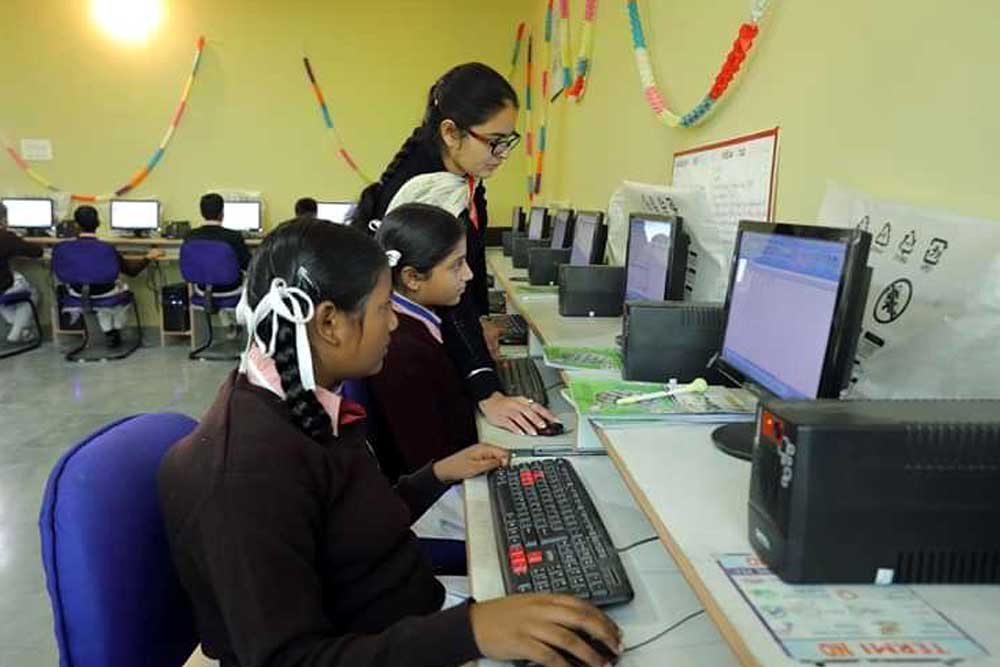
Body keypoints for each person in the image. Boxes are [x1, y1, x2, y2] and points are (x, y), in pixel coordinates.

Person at [158, 219, 622, 667]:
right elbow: (290, 657)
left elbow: (347, 526)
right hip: (390, 642)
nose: (395, 325)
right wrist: (471, 631)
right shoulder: (245, 473)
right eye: (384, 308)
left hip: (404, 623)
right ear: (329, 323)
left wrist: (433, 476)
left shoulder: (304, 402)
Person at [352, 62, 554, 436]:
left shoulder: (464, 173)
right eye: (494, 140)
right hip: (400, 353)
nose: (501, 153)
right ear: (450, 132)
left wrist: (481, 324)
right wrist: (487, 391)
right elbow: (449, 297)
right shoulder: (429, 192)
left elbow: (469, 262)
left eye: (507, 141)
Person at [368, 203, 479, 482]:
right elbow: (427, 461)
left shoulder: (417, 323)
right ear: (412, 278)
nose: (468, 274)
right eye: (456, 266)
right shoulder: (402, 349)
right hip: (432, 499)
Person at [63, 205, 163, 347]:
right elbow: (131, 271)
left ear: (76, 225)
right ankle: (115, 329)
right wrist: (148, 256)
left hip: (76, 292)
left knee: (100, 293)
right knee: (119, 291)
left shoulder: (65, 247)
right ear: (98, 223)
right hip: (105, 292)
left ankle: (109, 332)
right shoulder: (106, 249)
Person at [185, 193, 253, 338]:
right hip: (231, 289)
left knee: (217, 273)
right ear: (222, 213)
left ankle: (229, 326)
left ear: (201, 213)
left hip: (202, 289)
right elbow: (248, 265)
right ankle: (249, 334)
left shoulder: (190, 236)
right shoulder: (233, 236)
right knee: (248, 277)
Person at [0, 202, 43, 343]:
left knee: (8, 298)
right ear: (4, 220)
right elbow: (37, 252)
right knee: (32, 293)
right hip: (2, 287)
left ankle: (22, 331)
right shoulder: (6, 237)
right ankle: (16, 334)